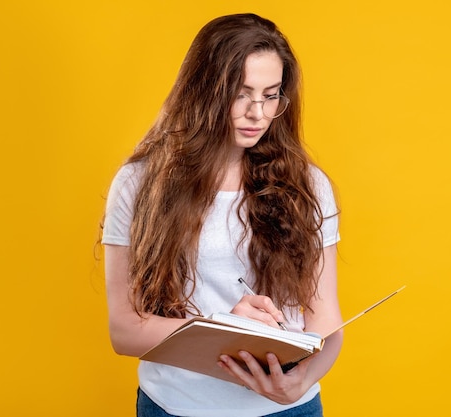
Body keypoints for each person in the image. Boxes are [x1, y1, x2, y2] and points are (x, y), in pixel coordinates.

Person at [101, 13, 343, 417]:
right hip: (176, 408)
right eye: (241, 93)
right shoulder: (138, 184)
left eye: (271, 95)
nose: (258, 114)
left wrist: (302, 379)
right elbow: (124, 331)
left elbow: (326, 320)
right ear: (203, 91)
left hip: (291, 411)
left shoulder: (308, 185)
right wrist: (221, 328)